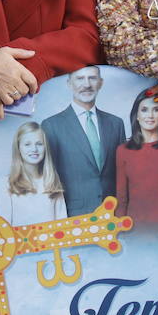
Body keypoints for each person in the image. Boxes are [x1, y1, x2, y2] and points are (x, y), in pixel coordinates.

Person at [40, 66, 125, 217]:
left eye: (92, 78)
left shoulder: (116, 123)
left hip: (114, 213)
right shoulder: (51, 125)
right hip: (74, 215)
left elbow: (122, 172)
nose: (87, 84)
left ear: (101, 83)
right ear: (69, 84)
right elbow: (48, 178)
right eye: (80, 79)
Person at [113, 89, 158, 237]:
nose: (150, 115)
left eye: (156, 109)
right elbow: (121, 197)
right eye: (144, 110)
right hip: (134, 227)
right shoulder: (123, 150)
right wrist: (119, 230)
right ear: (137, 116)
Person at [0, 121, 66, 225]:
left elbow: (62, 223)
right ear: (19, 148)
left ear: (45, 148)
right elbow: (3, 228)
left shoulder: (52, 182)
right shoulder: (7, 184)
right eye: (27, 144)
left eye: (39, 144)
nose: (34, 149)